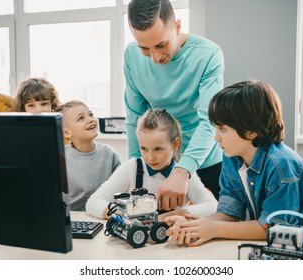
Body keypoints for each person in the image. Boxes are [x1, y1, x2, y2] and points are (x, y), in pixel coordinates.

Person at [165, 80, 303, 247]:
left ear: (251, 131)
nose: (216, 137)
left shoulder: (282, 166)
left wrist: (213, 229)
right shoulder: (231, 158)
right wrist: (194, 224)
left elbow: (272, 228)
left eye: (222, 129)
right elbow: (229, 214)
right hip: (281, 241)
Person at [124, 0, 225, 210]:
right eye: (144, 48)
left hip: (204, 162)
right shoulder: (130, 55)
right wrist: (138, 168)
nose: (154, 58)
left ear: (177, 27)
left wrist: (182, 170)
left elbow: (209, 121)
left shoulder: (208, 55)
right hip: (158, 161)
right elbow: (135, 118)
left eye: (161, 45)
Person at [86, 108, 217, 219]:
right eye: (144, 148)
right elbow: (93, 202)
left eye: (158, 149)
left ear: (175, 144)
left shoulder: (183, 174)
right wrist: (120, 214)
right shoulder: (131, 167)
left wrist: (179, 214)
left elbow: (212, 206)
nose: (150, 157)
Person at [56, 100, 121, 211]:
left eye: (90, 114)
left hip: (103, 215)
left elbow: (120, 191)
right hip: (72, 219)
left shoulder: (110, 154)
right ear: (67, 133)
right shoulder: (60, 159)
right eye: (81, 118)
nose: (91, 119)